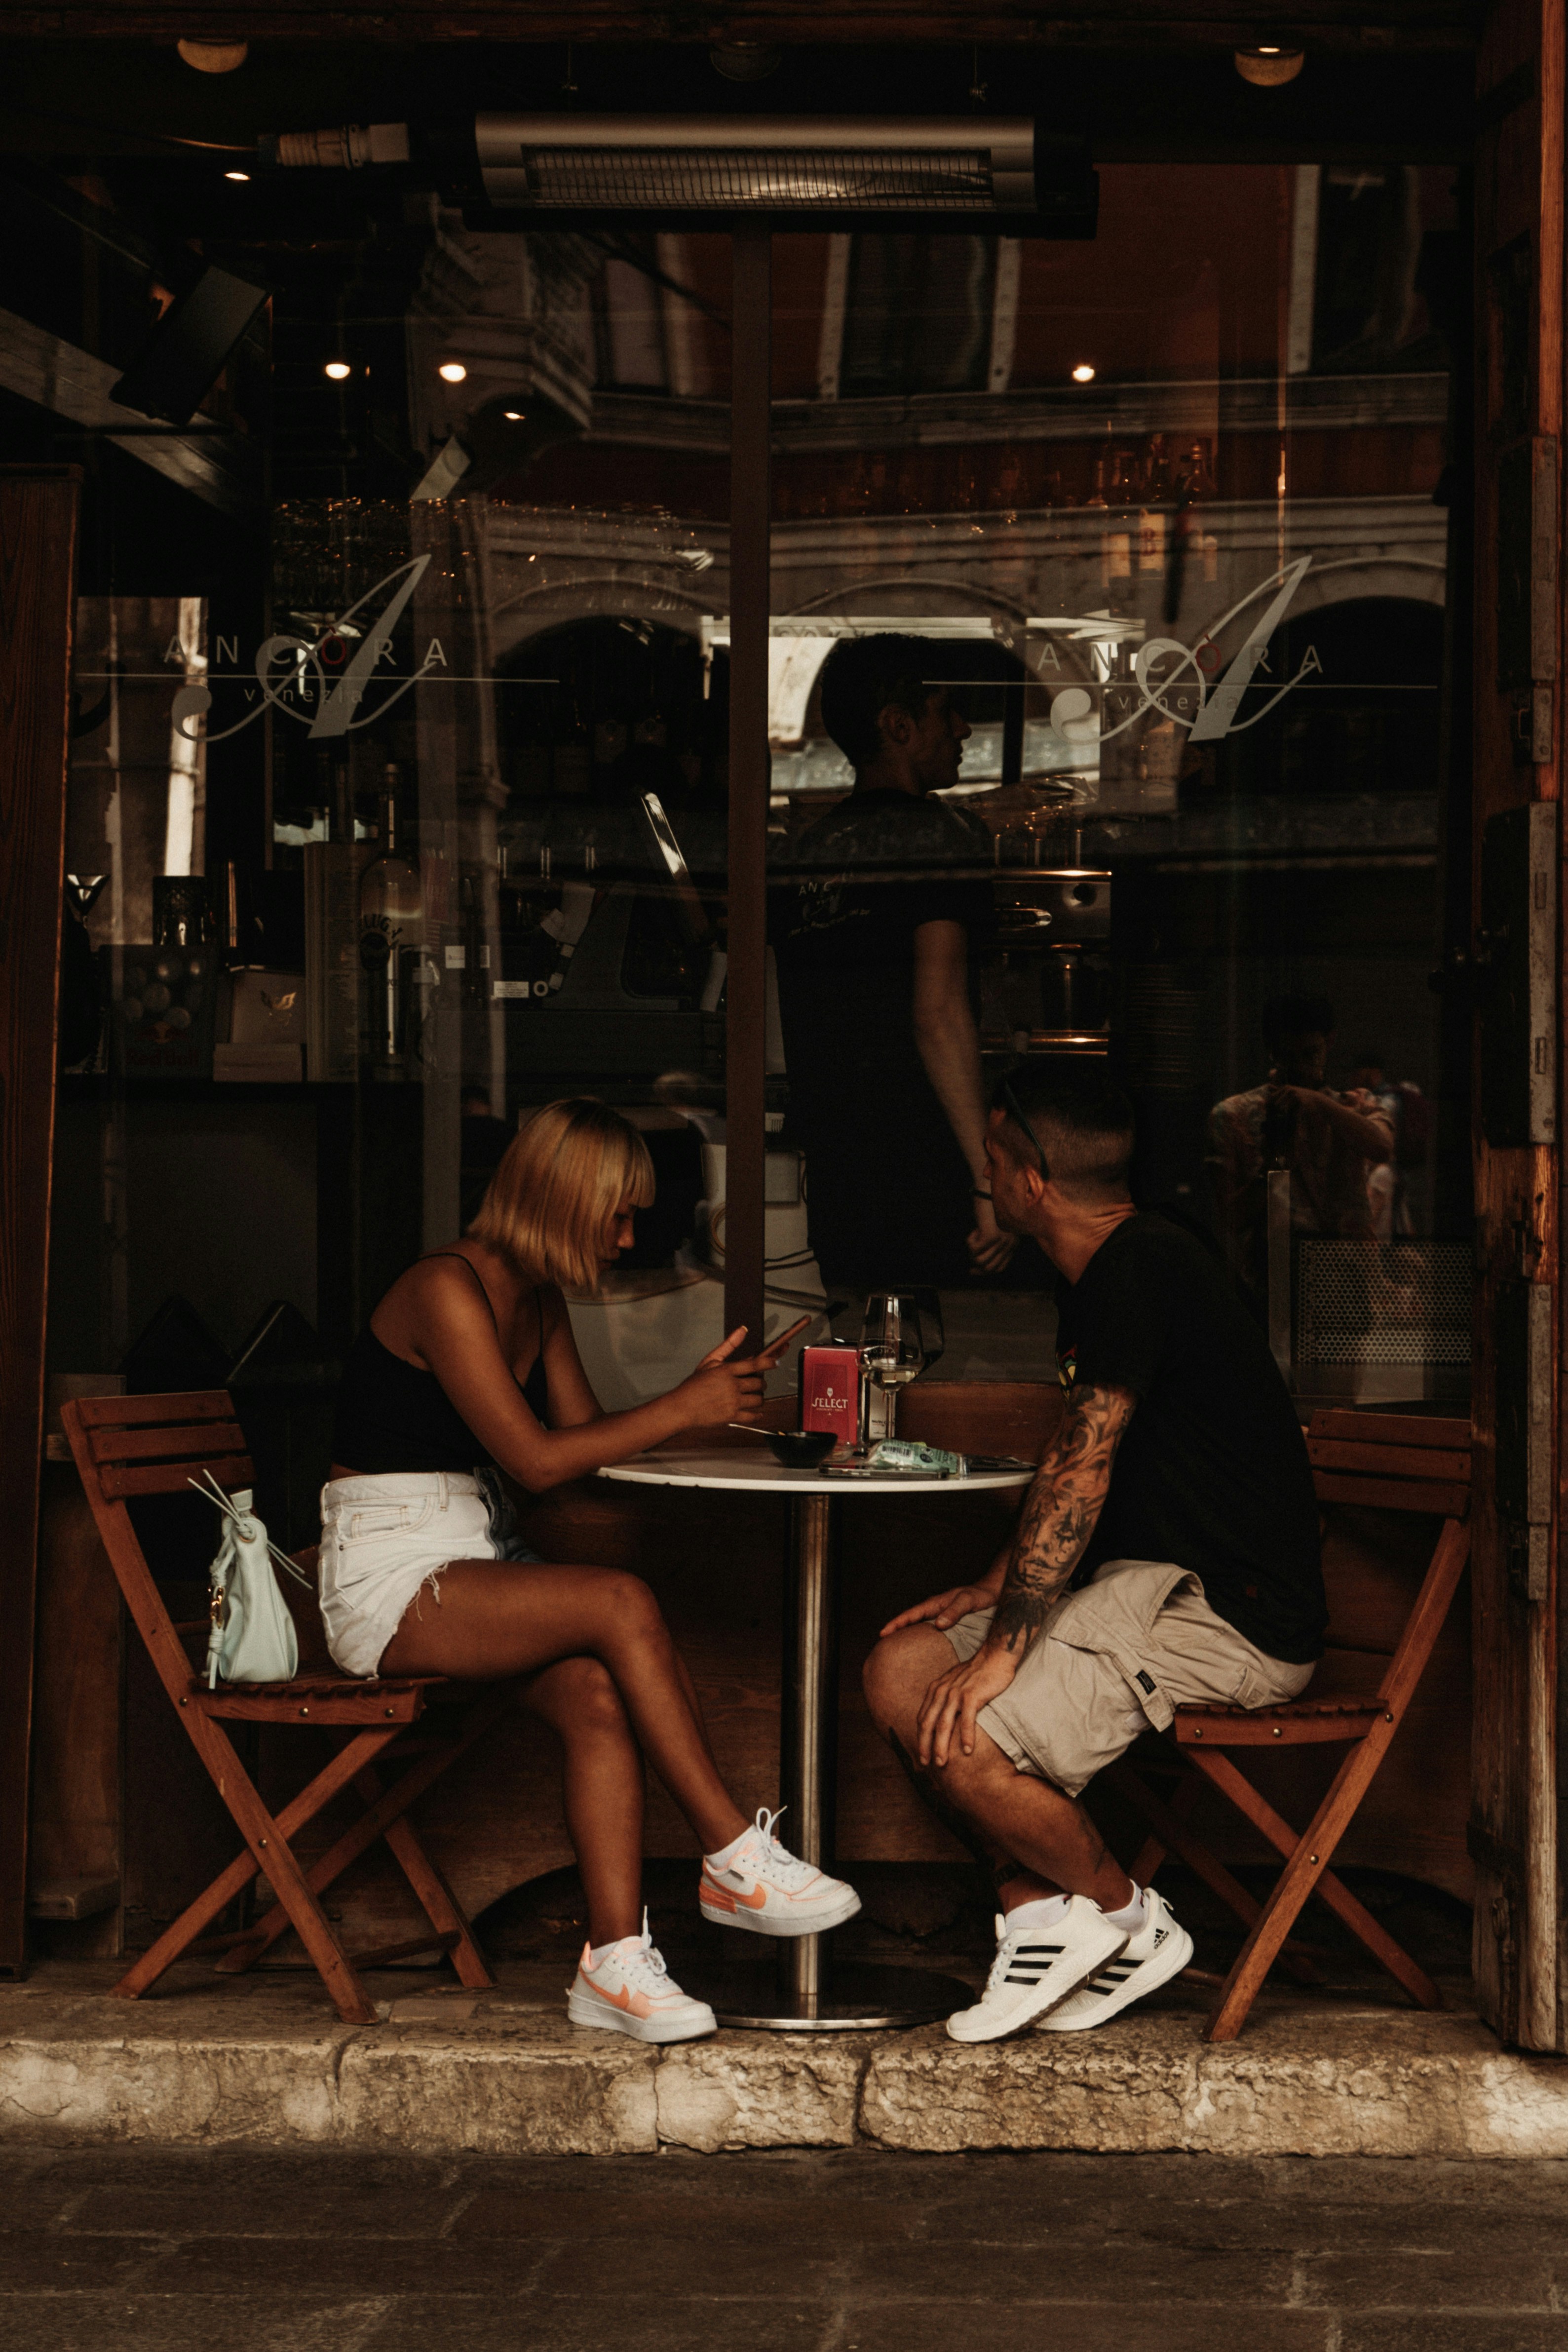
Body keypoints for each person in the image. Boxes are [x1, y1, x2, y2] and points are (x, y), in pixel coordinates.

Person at [324, 1095, 861, 2044]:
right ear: (559, 1202)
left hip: (476, 1555)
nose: (627, 1235)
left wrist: (699, 1407)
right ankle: (733, 1857)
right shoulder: (444, 1288)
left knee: (595, 1697)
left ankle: (612, 1965)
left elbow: (579, 1450)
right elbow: (533, 1461)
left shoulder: (539, 1299)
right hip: (389, 1573)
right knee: (620, 1600)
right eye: (615, 1213)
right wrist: (679, 1410)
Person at [864, 1062, 1326, 2041]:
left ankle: (1126, 1917)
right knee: (900, 1673)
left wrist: (1001, 1652)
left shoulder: (1138, 1269)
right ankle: (1038, 1911)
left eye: (992, 1159)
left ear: (1029, 1181)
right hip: (1141, 1589)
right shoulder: (1115, 1267)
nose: (984, 1179)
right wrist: (987, 1591)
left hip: (1230, 1615)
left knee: (968, 1735)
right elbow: (1078, 1472)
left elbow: (1083, 1470)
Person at [769, 633, 1015, 1289]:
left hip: (836, 1169)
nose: (962, 729)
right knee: (930, 1360)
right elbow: (938, 1015)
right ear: (901, 726)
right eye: (947, 712)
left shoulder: (808, 852)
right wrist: (987, 1181)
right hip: (925, 1166)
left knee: (864, 1356)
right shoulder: (936, 837)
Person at [1208, 993, 1395, 1297]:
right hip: (1271, 1285)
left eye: (1310, 1055)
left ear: (1329, 1042)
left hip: (1345, 1286)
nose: (1300, 1068)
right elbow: (1232, 1217)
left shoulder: (1356, 1106)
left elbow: (1382, 1147)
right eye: (1288, 1056)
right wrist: (1273, 1166)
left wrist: (1319, 1104)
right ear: (1272, 1050)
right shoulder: (1234, 1116)